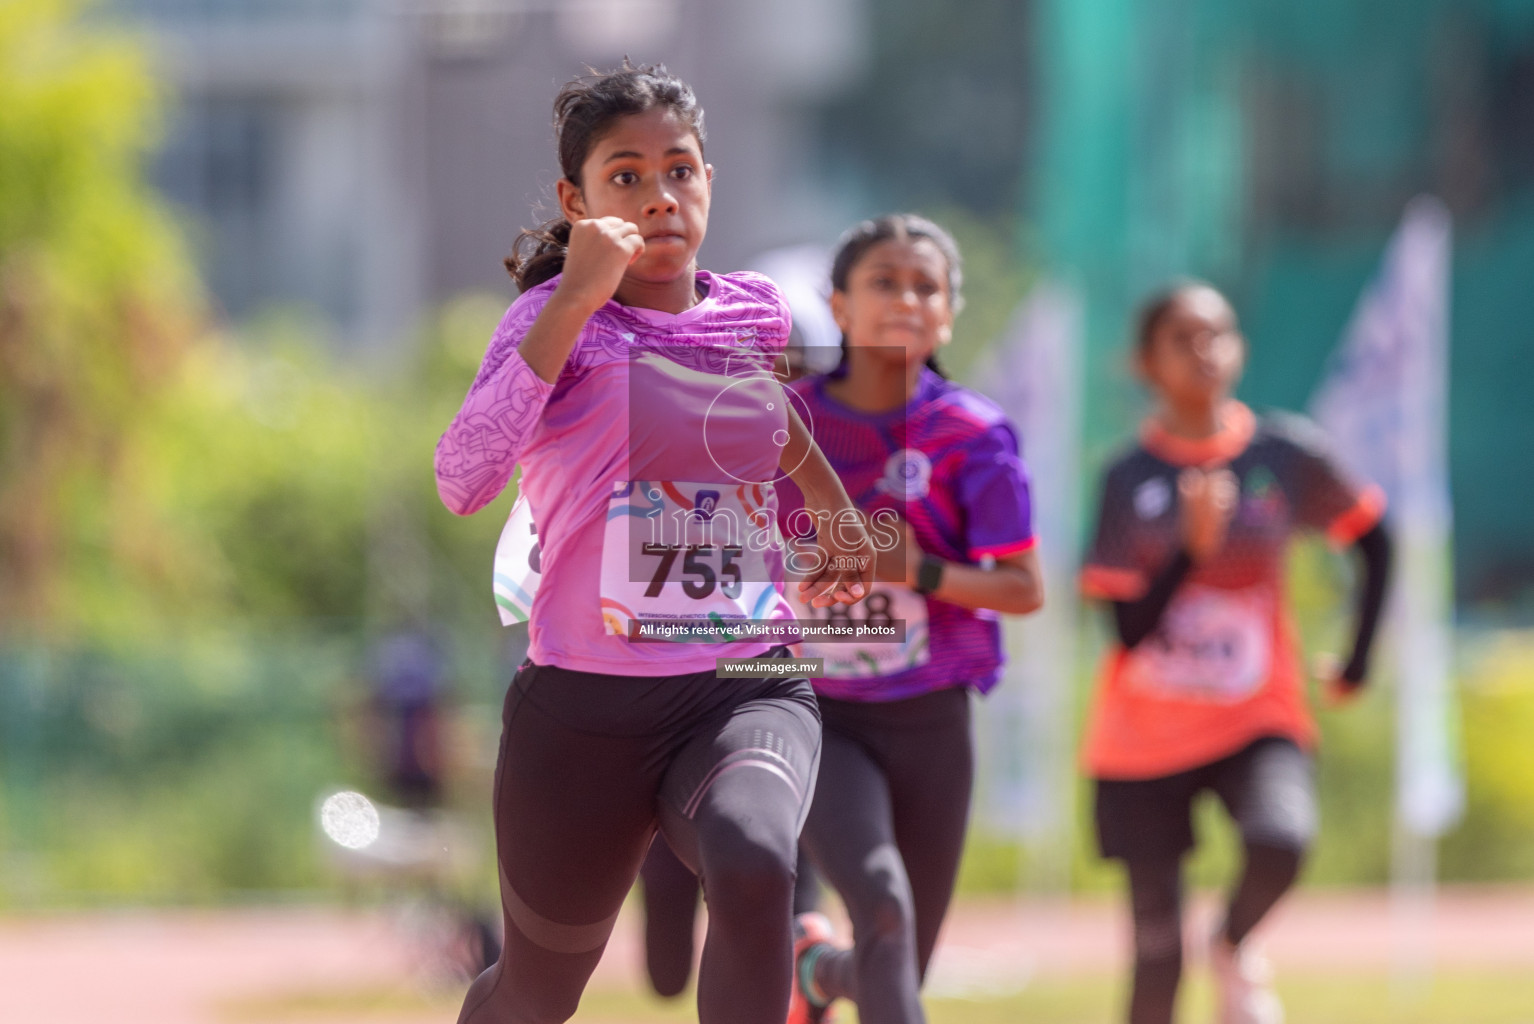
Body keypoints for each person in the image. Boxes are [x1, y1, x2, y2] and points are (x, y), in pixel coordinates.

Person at [433, 62, 874, 1024]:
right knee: (537, 992)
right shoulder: (549, 327)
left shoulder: (754, 312)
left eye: (680, 170)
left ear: (709, 178)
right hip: (584, 711)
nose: (659, 197)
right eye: (625, 176)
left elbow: (769, 418)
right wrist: (573, 303)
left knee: (758, 862)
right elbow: (463, 480)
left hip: (743, 680)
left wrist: (829, 505)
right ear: (576, 200)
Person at [1078, 281, 1392, 1024]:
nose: (1204, 352)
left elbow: (1376, 542)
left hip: (1256, 712)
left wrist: (1358, 658)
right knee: (1157, 954)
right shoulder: (1128, 479)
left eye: (1217, 334)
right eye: (1182, 339)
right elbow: (1124, 633)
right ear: (1146, 363)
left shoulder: (1284, 454)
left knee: (1282, 839)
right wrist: (1191, 553)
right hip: (1141, 739)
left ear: (1239, 348)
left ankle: (1232, 941)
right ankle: (1193, 962)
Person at [781, 214, 1045, 1024]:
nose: (906, 298)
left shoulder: (970, 434)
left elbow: (1024, 588)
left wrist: (913, 570)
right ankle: (825, 969)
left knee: (899, 958)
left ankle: (819, 974)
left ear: (949, 314)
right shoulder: (779, 418)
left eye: (925, 285)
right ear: (839, 305)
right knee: (884, 905)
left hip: (934, 715)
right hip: (814, 709)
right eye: (883, 282)